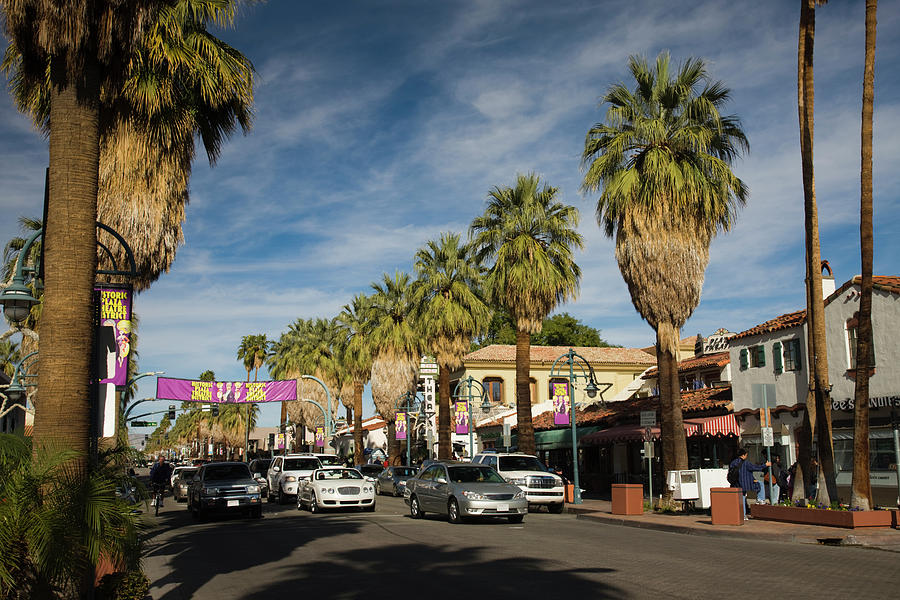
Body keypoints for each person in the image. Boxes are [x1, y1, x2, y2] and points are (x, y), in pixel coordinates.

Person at [729, 448, 769, 520]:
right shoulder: (746, 463)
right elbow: (755, 468)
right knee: (759, 483)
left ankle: (742, 515)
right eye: (746, 455)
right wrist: (765, 465)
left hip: (736, 483)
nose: (746, 456)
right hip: (745, 483)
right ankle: (760, 499)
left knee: (740, 499)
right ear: (743, 455)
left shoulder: (733, 462)